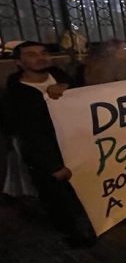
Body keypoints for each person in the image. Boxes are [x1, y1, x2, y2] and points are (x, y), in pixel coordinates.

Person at [3, 41, 95, 247]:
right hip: (47, 158)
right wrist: (52, 165)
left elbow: (84, 97)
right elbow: (28, 134)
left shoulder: (59, 75)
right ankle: (72, 234)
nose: (40, 57)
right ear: (19, 62)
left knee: (84, 190)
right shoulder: (16, 95)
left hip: (75, 147)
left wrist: (66, 87)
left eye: (43, 52)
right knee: (57, 199)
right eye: (31, 54)